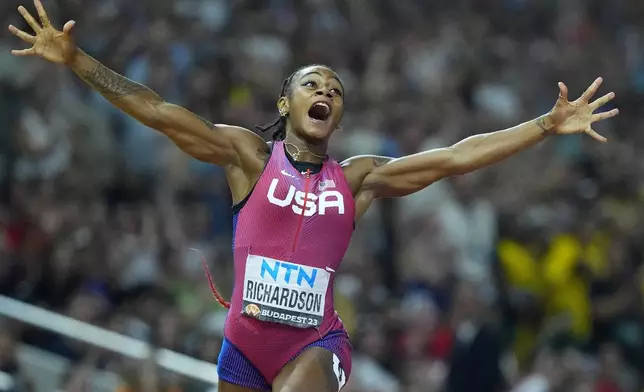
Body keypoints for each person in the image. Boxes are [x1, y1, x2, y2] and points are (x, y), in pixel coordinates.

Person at [7, 1, 619, 391]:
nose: (325, 89)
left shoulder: (357, 180)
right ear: (286, 104)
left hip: (315, 344)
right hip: (242, 351)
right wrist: (77, 59)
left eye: (335, 88)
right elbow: (161, 112)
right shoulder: (248, 158)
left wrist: (543, 124)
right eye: (311, 83)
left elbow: (455, 157)